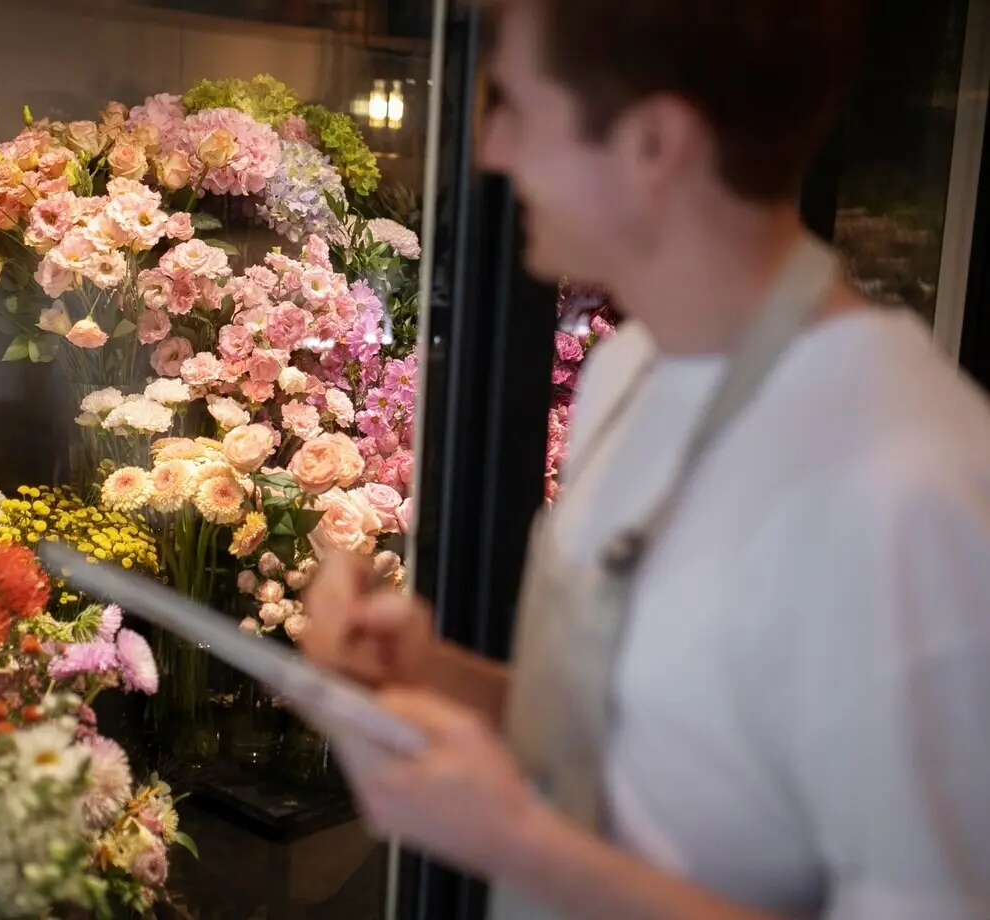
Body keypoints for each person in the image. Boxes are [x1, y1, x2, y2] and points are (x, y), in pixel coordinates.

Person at [299, 0, 990, 918]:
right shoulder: (631, 369)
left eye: (514, 104)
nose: (491, 148)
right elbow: (659, 754)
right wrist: (437, 682)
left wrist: (517, 846)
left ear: (655, 144)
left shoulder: (909, 484)